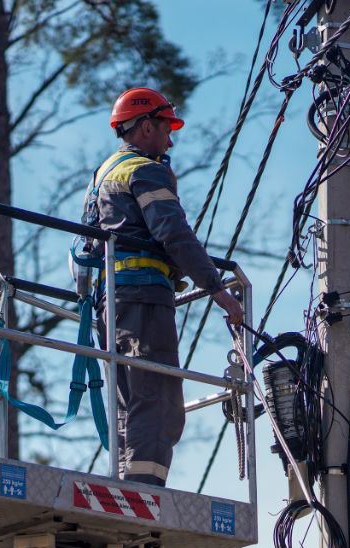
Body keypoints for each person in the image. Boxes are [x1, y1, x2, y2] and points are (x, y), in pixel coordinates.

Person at [80, 87, 243, 488]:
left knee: (132, 401)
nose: (170, 141)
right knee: (159, 400)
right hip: (144, 301)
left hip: (111, 304)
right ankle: (145, 494)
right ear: (147, 126)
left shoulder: (103, 174)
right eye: (167, 129)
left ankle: (129, 486)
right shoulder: (144, 170)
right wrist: (217, 289)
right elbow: (173, 232)